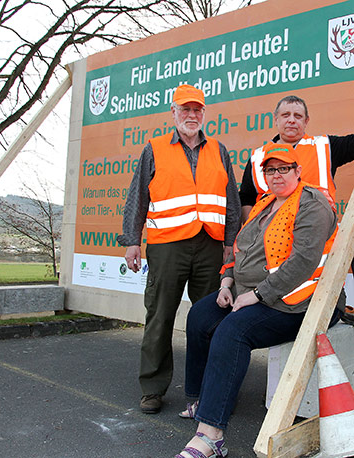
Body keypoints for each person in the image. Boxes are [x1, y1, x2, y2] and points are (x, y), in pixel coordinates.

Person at [176, 143, 344, 458]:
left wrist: (255, 296)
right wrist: (227, 281)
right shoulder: (265, 203)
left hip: (300, 300)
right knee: (200, 316)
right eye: (271, 170)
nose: (277, 175)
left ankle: (211, 436)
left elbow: (302, 263)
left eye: (284, 168)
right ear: (263, 175)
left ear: (297, 171)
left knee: (233, 331)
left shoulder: (313, 204)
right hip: (250, 291)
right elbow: (240, 249)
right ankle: (204, 400)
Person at [117, 84, 241, 414]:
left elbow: (231, 202)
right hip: (167, 247)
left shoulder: (219, 149)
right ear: (173, 112)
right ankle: (153, 388)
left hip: (210, 246)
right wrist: (132, 241)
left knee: (211, 320)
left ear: (204, 114)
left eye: (197, 109)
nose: (191, 115)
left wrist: (231, 243)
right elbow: (138, 198)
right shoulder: (155, 149)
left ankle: (207, 390)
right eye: (185, 109)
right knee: (160, 317)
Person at [239, 94, 354, 324]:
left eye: (298, 116)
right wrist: (251, 234)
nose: (291, 120)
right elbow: (246, 198)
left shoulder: (324, 147)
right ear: (275, 119)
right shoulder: (258, 157)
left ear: (306, 121)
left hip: (314, 239)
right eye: (286, 115)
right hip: (272, 245)